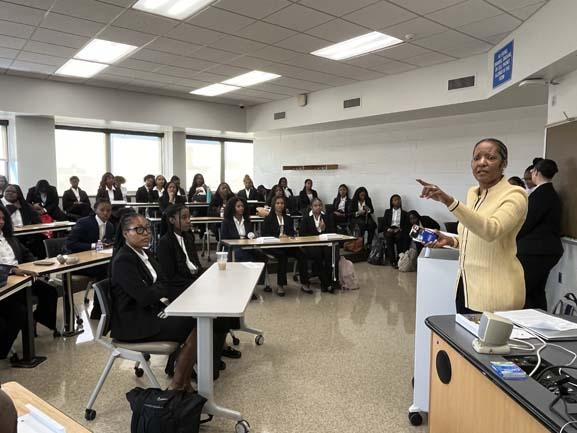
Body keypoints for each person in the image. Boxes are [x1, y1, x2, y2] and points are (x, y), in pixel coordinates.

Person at [417, 138, 528, 313]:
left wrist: (449, 202)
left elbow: (491, 230)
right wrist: (451, 241)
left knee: (483, 341)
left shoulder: (515, 195)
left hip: (495, 294)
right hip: (467, 288)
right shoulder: (473, 193)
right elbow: (473, 236)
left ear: (503, 164)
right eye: (477, 158)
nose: (482, 163)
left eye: (490, 158)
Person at [110, 211, 197, 391]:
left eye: (148, 229)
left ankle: (183, 381)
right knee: (195, 323)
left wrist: (156, 289)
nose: (146, 234)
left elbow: (164, 281)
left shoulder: (145, 253)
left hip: (150, 310)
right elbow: (144, 296)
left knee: (198, 320)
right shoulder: (124, 259)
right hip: (133, 322)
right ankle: (178, 384)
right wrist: (157, 289)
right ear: (126, 233)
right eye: (139, 230)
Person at [156, 205, 240, 368]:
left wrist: (208, 275)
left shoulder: (188, 237)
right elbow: (170, 277)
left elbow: (194, 264)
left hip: (193, 281)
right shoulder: (165, 243)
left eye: (189, 217)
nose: (189, 220)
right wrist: (199, 283)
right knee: (216, 305)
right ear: (172, 220)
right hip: (179, 288)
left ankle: (217, 347)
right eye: (185, 217)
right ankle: (211, 356)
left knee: (226, 295)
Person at [0, 204, 59, 336]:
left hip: (21, 276)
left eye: (3, 219)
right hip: (5, 281)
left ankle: (36, 319)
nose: (2, 222)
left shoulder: (9, 237)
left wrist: (37, 263)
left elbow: (25, 253)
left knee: (50, 291)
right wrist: (12, 270)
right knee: (20, 307)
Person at [517, 158, 563, 310]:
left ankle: (526, 327)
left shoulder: (541, 194)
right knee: (535, 292)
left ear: (535, 172)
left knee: (524, 291)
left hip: (535, 251)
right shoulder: (549, 193)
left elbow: (526, 223)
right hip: (544, 251)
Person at [65, 199, 115, 319]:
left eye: (108, 210)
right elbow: (70, 244)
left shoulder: (110, 225)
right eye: (102, 210)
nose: (105, 213)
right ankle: (99, 311)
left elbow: (107, 242)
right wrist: (94, 245)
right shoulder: (84, 222)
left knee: (115, 268)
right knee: (106, 272)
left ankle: (112, 307)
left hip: (98, 260)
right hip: (81, 263)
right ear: (95, 210)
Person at [261, 196, 309, 297]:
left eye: (282, 203)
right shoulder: (268, 219)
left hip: (287, 245)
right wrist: (278, 237)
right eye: (278, 203)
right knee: (282, 256)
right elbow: (265, 235)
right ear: (274, 205)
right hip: (273, 247)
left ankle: (305, 283)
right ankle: (280, 285)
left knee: (302, 254)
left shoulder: (288, 219)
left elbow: (292, 233)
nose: (280, 205)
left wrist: (288, 236)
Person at [299, 198, 337, 293]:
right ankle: (326, 283)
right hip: (310, 244)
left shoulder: (327, 217)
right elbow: (302, 234)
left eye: (320, 205)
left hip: (324, 244)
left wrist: (324, 230)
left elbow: (333, 232)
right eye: (315, 205)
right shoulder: (306, 218)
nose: (318, 207)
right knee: (317, 254)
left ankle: (327, 283)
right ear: (311, 207)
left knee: (330, 254)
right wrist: (319, 231)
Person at [2, 184, 43, 258]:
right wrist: (13, 207)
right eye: (7, 191)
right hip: (8, 236)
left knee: (40, 240)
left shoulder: (24, 204)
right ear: (3, 192)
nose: (10, 193)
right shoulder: (1, 204)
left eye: (13, 192)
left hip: (26, 235)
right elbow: (4, 218)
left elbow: (37, 220)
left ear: (18, 194)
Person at [382, 194, 410, 268]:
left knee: (400, 237)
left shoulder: (404, 213)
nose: (397, 201)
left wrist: (400, 229)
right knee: (389, 238)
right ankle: (392, 261)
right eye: (395, 200)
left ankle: (399, 259)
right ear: (392, 202)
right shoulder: (387, 211)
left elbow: (406, 225)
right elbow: (384, 223)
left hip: (399, 229)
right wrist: (388, 229)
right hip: (390, 229)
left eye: (399, 199)